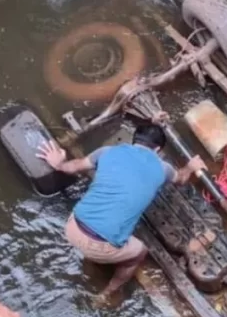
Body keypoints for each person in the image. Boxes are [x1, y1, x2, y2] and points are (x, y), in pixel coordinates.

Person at [37, 124, 198, 296]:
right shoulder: (163, 168)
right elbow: (180, 179)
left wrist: (59, 164)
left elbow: (75, 165)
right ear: (157, 149)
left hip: (72, 227)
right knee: (140, 252)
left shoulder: (106, 151)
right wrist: (191, 166)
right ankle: (108, 292)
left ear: (134, 139)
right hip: (100, 247)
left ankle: (91, 256)